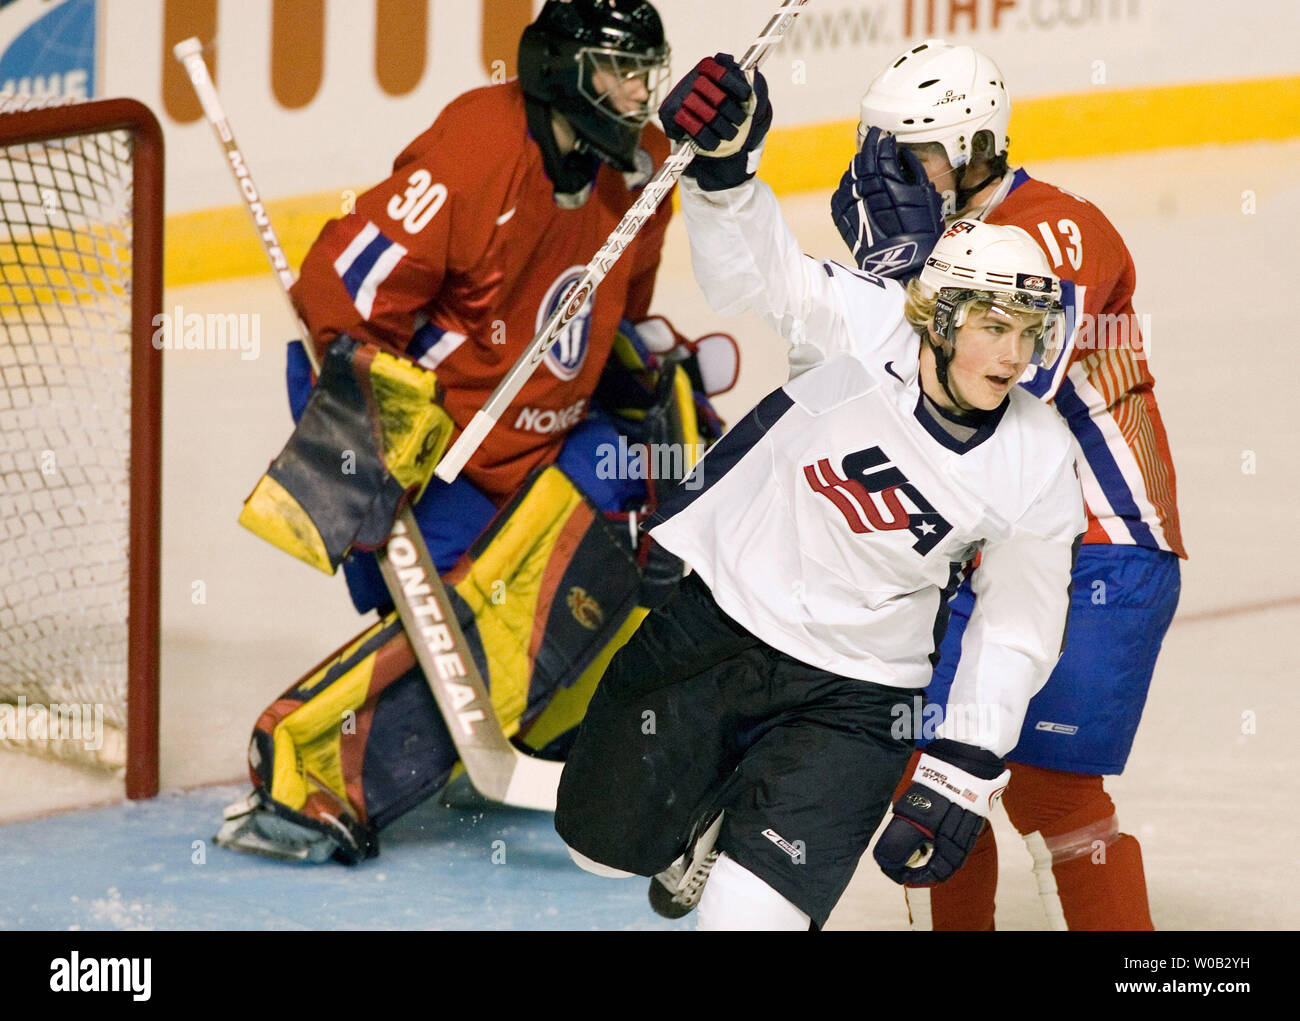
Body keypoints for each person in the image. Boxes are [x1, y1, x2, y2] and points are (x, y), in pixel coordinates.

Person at [554, 53, 1086, 930]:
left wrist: (961, 768)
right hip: (721, 626)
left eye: (1027, 333)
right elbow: (758, 277)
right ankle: (705, 809)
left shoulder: (1035, 458)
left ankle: (751, 832)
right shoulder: (863, 326)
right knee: (597, 840)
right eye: (993, 327)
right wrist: (726, 175)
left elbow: (1020, 623)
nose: (1013, 356)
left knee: (746, 924)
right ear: (941, 320)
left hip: (859, 698)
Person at [216, 0, 739, 864]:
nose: (642, 93)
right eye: (621, 71)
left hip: (534, 436)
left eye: (650, 71)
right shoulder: (477, 151)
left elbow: (609, 316)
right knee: (486, 613)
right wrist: (365, 437)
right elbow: (341, 290)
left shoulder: (642, 168)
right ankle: (307, 763)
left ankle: (564, 721)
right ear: (564, 72)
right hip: (421, 444)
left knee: (659, 515)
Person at [832, 39, 1185, 930]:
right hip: (998, 546)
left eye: (904, 153)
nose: (882, 172)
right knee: (938, 772)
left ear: (967, 150)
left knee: (1054, 792)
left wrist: (904, 269)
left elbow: (1014, 372)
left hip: (1105, 542)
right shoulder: (940, 238)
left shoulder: (1057, 224)